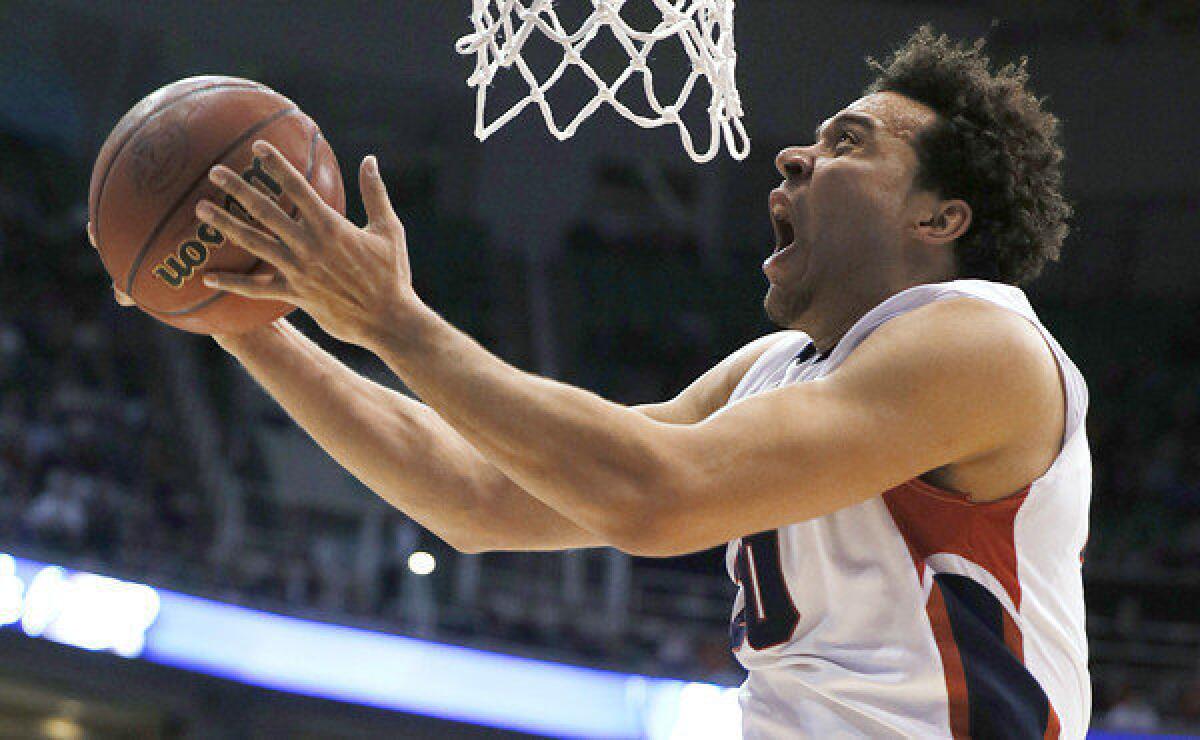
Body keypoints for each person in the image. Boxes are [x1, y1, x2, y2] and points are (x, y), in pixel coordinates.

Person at [92, 26, 1088, 740]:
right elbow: (473, 495)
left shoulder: (981, 343)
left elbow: (658, 496)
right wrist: (241, 317)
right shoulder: (774, 371)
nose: (794, 152)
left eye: (849, 143)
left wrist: (392, 319)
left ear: (940, 219)